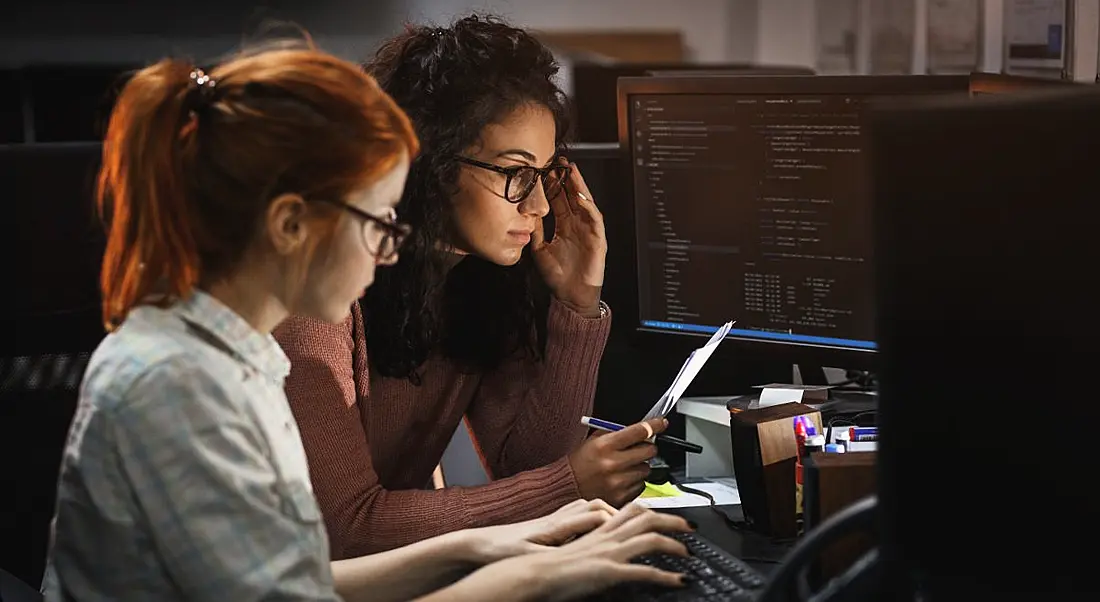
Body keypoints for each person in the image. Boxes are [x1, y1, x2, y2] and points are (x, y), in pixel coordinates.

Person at [41, 42, 691, 601]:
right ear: (291, 225)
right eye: (376, 222)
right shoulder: (178, 385)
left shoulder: (236, 361)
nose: (390, 247)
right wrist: (538, 574)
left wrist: (511, 543)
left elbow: (305, 578)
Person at [274, 14, 664, 559]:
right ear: (431, 162)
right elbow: (345, 529)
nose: (539, 205)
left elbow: (527, 468)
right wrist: (569, 485)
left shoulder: (481, 280)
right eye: (515, 172)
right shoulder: (320, 295)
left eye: (544, 174)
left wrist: (577, 305)